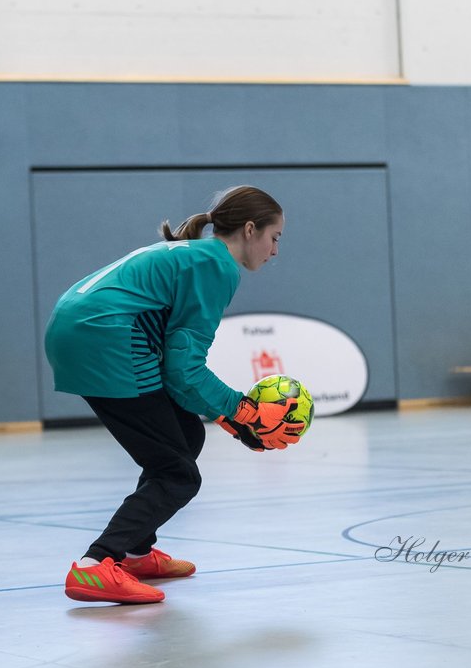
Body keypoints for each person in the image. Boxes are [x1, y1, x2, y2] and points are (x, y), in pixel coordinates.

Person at [44, 185, 307, 604]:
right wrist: (244, 410)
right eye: (275, 238)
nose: (275, 251)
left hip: (78, 328)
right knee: (178, 473)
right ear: (251, 229)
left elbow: (174, 372)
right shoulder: (217, 266)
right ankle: (95, 565)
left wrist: (229, 419)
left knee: (185, 435)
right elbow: (183, 369)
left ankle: (135, 551)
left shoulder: (196, 254)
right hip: (105, 337)